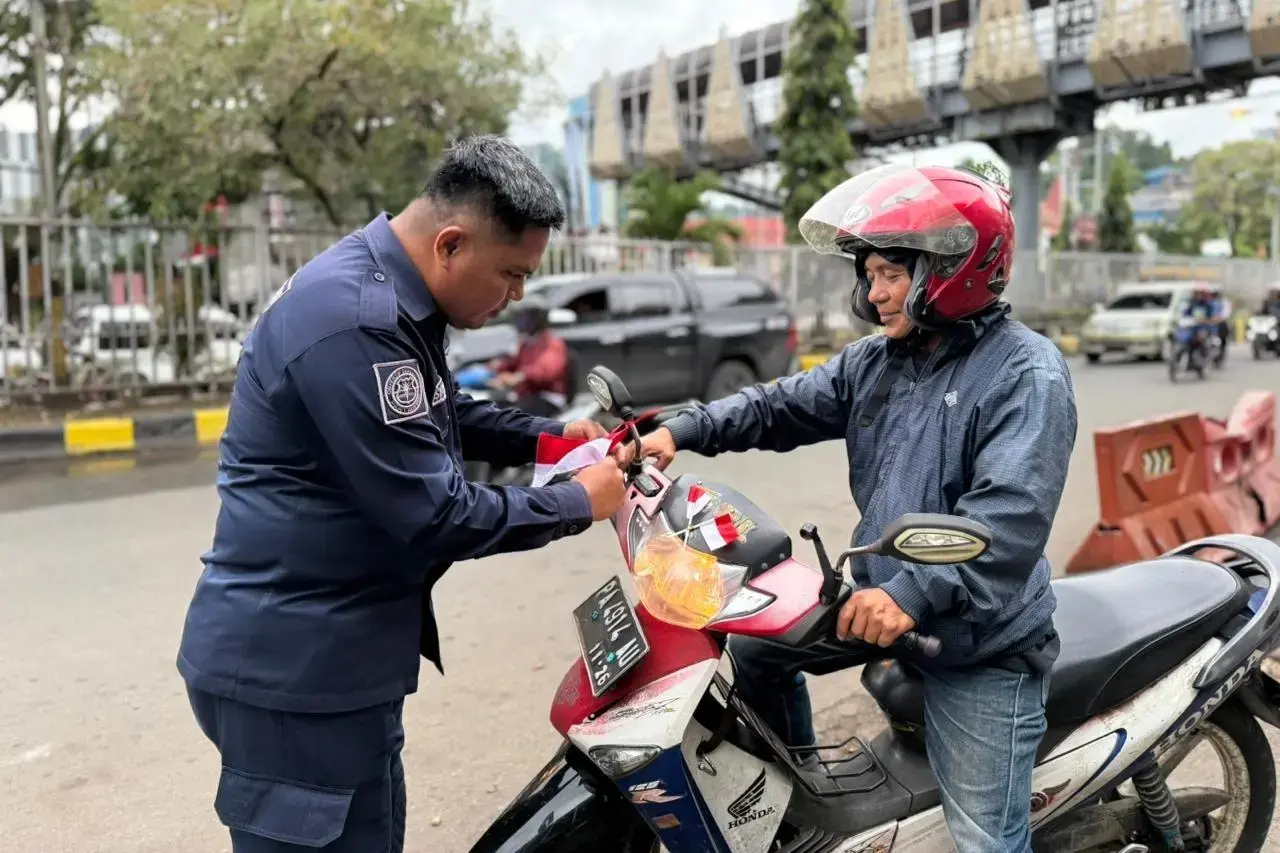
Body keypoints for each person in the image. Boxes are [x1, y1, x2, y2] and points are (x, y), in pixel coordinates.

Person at [176, 135, 627, 853]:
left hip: (331, 657)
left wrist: (550, 441)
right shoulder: (356, 318)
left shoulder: (390, 296)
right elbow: (436, 514)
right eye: (510, 274)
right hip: (298, 675)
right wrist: (578, 499)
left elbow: (437, 411)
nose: (515, 297)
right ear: (451, 243)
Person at [621, 164, 1078, 853]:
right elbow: (776, 405)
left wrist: (913, 592)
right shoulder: (878, 361)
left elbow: (1007, 520)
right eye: (868, 274)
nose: (874, 291)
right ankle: (795, 810)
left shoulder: (1026, 372)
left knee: (986, 839)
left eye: (891, 272)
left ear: (953, 269)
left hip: (979, 638)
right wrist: (678, 430)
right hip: (884, 598)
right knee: (755, 648)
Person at [488, 296, 572, 418]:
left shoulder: (552, 342)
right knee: (492, 409)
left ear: (537, 318)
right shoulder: (527, 342)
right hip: (526, 396)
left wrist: (519, 377)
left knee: (512, 418)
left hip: (546, 398)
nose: (518, 321)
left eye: (523, 316)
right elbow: (514, 363)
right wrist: (497, 367)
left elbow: (547, 371)